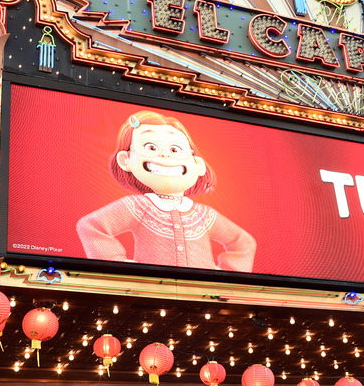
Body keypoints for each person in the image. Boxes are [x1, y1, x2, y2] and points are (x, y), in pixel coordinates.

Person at [77, 111, 256, 272]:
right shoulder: (138, 206)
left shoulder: (204, 215)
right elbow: (91, 226)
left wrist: (226, 277)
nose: (165, 155)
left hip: (202, 295)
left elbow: (243, 242)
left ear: (198, 165)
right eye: (151, 148)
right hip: (153, 294)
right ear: (126, 160)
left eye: (174, 149)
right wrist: (120, 267)